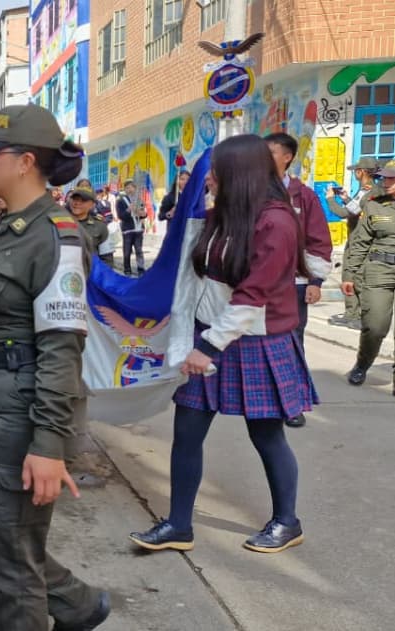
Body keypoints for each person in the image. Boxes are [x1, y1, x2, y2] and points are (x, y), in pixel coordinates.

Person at [0, 104, 110, 631]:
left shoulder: (56, 236)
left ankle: (56, 609)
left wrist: (48, 445)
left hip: (25, 404)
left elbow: (62, 348)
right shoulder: (8, 225)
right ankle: (79, 606)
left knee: (9, 556)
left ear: (24, 161)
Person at [129, 134, 317, 556]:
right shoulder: (219, 216)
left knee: (267, 437)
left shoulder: (276, 222)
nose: (208, 180)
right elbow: (197, 281)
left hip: (254, 342)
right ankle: (179, 525)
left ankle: (287, 521)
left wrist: (207, 347)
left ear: (242, 175)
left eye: (216, 172)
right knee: (186, 433)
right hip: (208, 337)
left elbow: (253, 297)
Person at [265, 132, 333, 428]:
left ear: (287, 157)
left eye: (269, 152)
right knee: (253, 341)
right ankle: (261, 398)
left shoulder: (302, 196)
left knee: (291, 342)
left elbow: (319, 240)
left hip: (292, 285)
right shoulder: (250, 191)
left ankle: (291, 403)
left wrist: (316, 280)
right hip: (252, 285)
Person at [342, 159, 395, 395]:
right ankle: (362, 364)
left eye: (391, 178)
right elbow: (360, 243)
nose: (385, 182)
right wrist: (349, 274)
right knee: (374, 326)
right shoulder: (374, 205)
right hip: (379, 270)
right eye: (384, 177)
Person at [328, 157, 380, 329]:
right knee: (354, 275)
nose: (355, 173)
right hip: (360, 238)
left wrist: (330, 200)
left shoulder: (368, 191)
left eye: (357, 170)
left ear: (362, 172)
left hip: (360, 239)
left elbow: (347, 213)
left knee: (352, 276)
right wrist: (345, 197)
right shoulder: (369, 190)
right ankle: (354, 314)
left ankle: (356, 315)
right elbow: (354, 208)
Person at [69, 185, 112, 266]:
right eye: (75, 199)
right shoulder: (60, 223)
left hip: (90, 275)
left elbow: (107, 258)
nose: (77, 203)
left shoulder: (101, 227)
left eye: (83, 200)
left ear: (92, 204)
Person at [116, 180, 147, 275]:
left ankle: (141, 268)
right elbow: (121, 216)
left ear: (135, 188)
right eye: (127, 188)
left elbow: (143, 214)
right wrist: (128, 210)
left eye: (131, 187)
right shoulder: (120, 201)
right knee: (127, 250)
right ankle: (127, 268)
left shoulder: (140, 200)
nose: (129, 189)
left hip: (138, 229)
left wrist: (144, 214)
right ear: (124, 190)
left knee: (139, 250)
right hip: (127, 230)